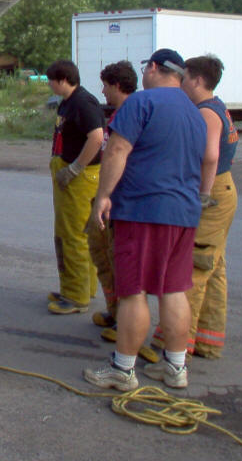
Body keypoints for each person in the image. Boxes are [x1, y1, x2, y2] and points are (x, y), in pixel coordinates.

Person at [83, 48, 205, 391]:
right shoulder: (194, 111)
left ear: (153, 68)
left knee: (133, 291)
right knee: (173, 289)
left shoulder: (140, 102)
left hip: (142, 210)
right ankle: (175, 367)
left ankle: (123, 369)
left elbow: (117, 150)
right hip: (183, 213)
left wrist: (103, 196)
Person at [154, 54, 239, 359]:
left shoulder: (206, 113)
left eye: (186, 78)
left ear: (199, 80)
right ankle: (207, 340)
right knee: (213, 266)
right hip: (224, 189)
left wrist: (201, 195)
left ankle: (176, 346)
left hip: (212, 191)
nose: (182, 83)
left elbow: (210, 156)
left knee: (193, 267)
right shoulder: (218, 106)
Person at [45, 59, 105, 314]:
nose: (49, 85)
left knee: (72, 235)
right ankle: (82, 287)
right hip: (70, 172)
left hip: (80, 178)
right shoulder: (69, 102)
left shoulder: (83, 102)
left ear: (63, 80)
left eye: (51, 80)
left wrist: (75, 168)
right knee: (77, 232)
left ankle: (76, 296)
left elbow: (97, 137)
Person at [87, 60, 137, 329]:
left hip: (120, 198)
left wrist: (106, 196)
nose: (103, 91)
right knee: (101, 252)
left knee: (118, 260)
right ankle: (115, 311)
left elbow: (119, 155)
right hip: (108, 194)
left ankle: (125, 322)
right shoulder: (119, 114)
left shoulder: (133, 114)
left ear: (117, 85)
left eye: (106, 86)